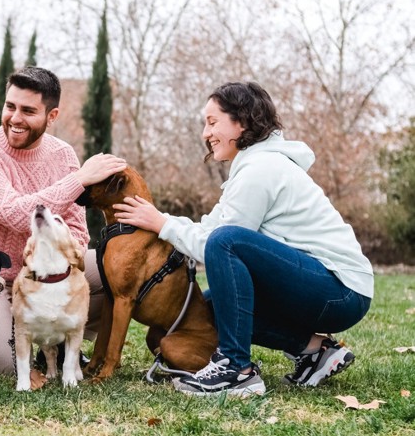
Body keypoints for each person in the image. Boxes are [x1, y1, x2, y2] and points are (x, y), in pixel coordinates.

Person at [113, 81, 373, 397]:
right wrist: (161, 221)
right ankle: (315, 351)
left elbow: (218, 244)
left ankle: (236, 370)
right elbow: (212, 229)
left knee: (227, 242)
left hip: (340, 291)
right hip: (324, 287)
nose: (205, 134)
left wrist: (162, 224)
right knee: (206, 310)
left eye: (212, 122)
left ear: (243, 121)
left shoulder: (260, 168)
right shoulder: (253, 165)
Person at [0, 66, 126, 387]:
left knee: (116, 269)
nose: (15, 118)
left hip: (41, 273)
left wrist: (50, 274)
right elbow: (14, 213)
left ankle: (58, 334)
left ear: (51, 115)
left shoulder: (62, 155)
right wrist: (79, 179)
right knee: (2, 360)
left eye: (28, 111)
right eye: (10, 106)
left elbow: (78, 232)